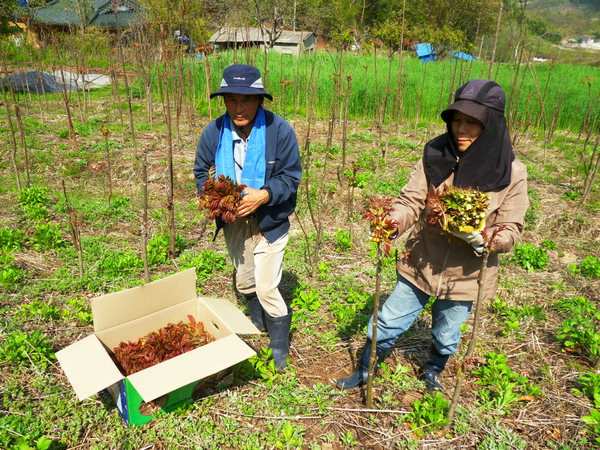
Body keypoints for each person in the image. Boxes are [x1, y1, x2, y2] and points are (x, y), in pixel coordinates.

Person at [336, 79, 529, 391]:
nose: (461, 129)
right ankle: (365, 368)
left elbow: (512, 227)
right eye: (457, 120)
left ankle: (433, 370)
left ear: (491, 125)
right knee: (389, 319)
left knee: (447, 331)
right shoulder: (436, 155)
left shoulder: (511, 173)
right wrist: (392, 222)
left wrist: (487, 239)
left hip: (467, 274)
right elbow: (411, 201)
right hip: (422, 260)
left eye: (472, 122)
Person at [193, 64, 301, 370]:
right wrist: (216, 196)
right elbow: (202, 172)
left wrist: (263, 195)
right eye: (232, 100)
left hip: (270, 220)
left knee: (267, 285)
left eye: (247, 100)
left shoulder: (279, 132)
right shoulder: (214, 133)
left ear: (260, 101)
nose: (239, 108)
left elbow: (290, 177)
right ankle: (258, 319)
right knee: (244, 279)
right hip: (234, 220)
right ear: (224, 101)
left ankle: (279, 347)